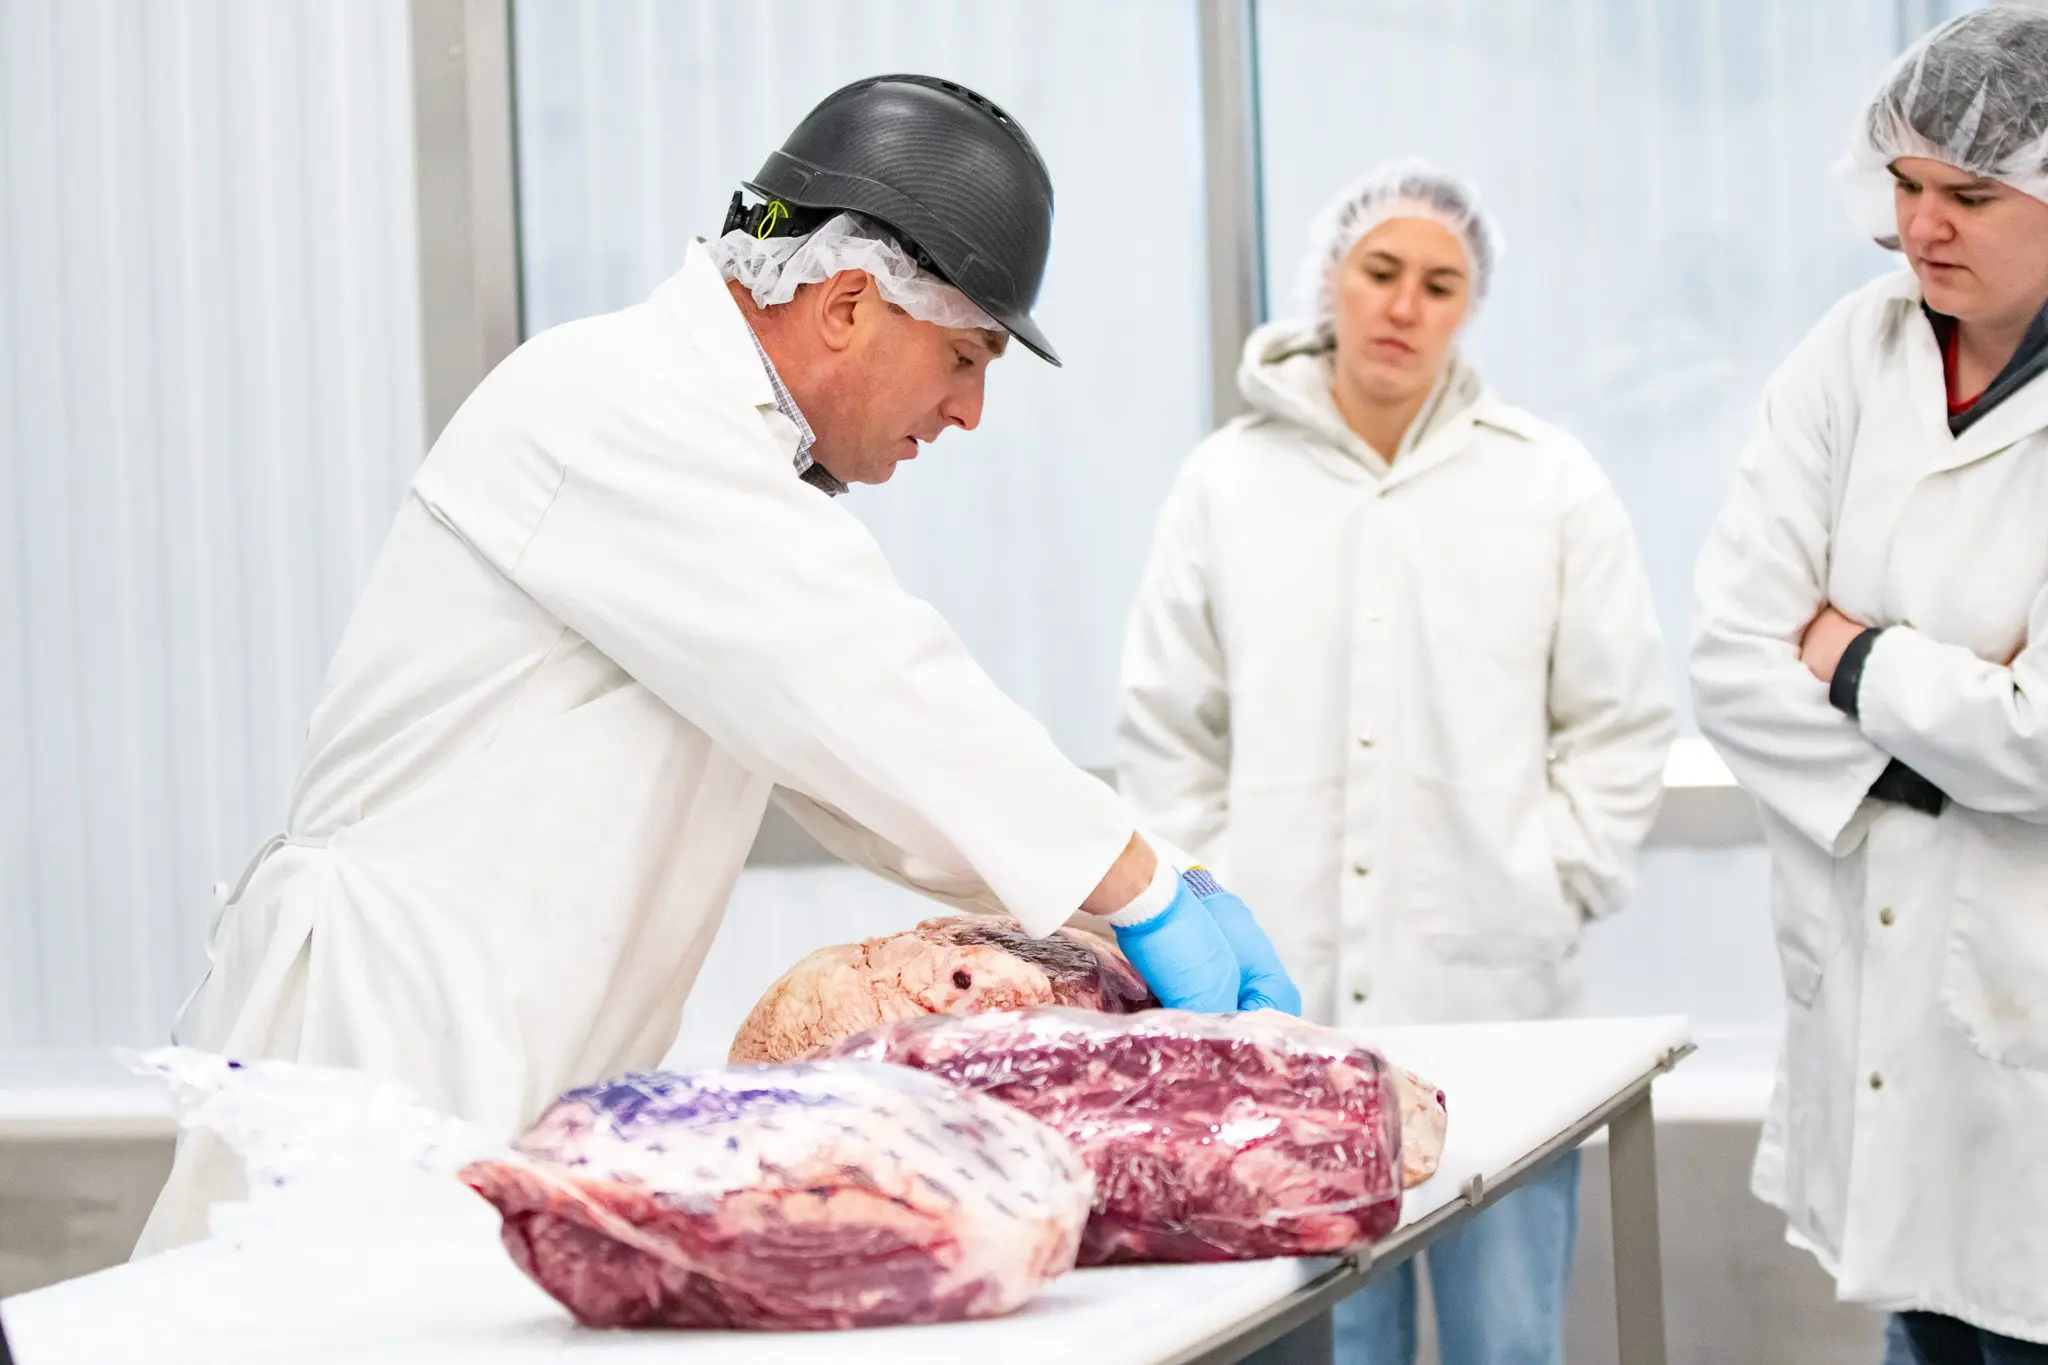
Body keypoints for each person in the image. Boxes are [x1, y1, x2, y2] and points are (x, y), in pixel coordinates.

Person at [134, 74, 1298, 1255]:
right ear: (847, 303)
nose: (969, 411)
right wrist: (1143, 889)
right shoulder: (616, 402)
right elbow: (864, 685)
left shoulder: (721, 453)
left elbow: (862, 776)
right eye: (964, 355)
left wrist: (1117, 904)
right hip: (379, 1057)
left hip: (499, 1071)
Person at [1118, 159, 1673, 1365]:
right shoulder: (1225, 484)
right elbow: (1167, 731)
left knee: (1501, 1343)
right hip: (1283, 1032)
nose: (1402, 305)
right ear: (1332, 277)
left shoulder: (1545, 482)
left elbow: (1619, 720)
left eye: (1439, 282)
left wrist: (1553, 880)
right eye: (1380, 272)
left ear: (1468, 306)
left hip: (1495, 1013)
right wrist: (1206, 922)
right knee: (1323, 1340)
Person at [1690, 9, 2048, 1360]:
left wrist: (1851, 654)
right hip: (1880, 1012)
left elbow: (2041, 745)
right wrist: (1946, 733)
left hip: (2024, 1029)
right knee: (1919, 1319)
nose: (1923, 224)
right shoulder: (1854, 351)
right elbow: (1730, 653)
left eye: (1972, 193)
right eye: (1905, 184)